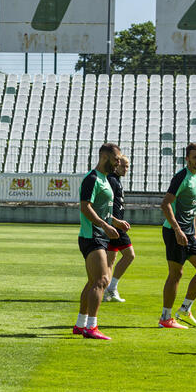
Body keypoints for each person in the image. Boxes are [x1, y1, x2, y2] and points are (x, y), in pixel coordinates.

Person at [73, 143, 130, 340]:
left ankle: (81, 324)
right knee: (102, 280)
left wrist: (115, 221)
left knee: (93, 281)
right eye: (116, 160)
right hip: (91, 236)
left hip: (99, 235)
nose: (118, 163)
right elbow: (85, 207)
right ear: (105, 158)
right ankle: (91, 327)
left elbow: (102, 210)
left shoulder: (105, 179)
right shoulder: (92, 179)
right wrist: (104, 226)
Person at [159, 143, 196, 329]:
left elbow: (192, 209)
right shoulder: (181, 177)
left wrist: (193, 232)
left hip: (189, 233)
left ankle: (185, 310)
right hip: (174, 233)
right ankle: (165, 318)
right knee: (176, 274)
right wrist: (178, 230)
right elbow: (165, 204)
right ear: (187, 158)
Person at [104, 155, 134, 302]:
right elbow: (104, 204)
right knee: (129, 255)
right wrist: (115, 221)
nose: (126, 169)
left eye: (127, 166)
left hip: (113, 224)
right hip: (114, 226)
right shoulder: (111, 180)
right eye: (123, 166)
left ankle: (105, 290)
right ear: (115, 165)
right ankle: (111, 288)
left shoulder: (116, 181)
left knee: (111, 259)